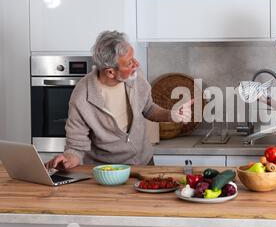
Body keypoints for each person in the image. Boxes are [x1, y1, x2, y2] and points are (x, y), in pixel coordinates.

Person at [46, 30, 192, 170]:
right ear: (110, 72)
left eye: (133, 58)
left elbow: (148, 108)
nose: (136, 64)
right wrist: (67, 159)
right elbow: (76, 148)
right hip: (107, 170)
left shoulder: (134, 76)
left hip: (144, 163)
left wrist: (172, 114)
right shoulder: (82, 97)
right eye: (129, 63)